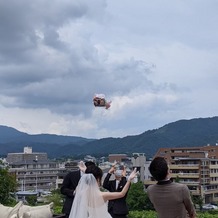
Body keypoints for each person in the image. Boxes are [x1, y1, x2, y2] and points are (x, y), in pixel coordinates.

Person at [69, 162, 137, 218]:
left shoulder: (80, 192)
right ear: (98, 179)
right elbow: (122, 194)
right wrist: (129, 180)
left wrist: (85, 171)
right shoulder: (102, 195)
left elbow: (88, 178)